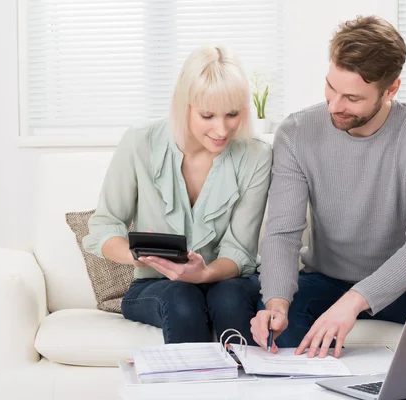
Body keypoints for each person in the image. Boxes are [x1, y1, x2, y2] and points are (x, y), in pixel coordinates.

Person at [250, 16, 406, 358]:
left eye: (352, 97)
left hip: (401, 285)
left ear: (391, 89)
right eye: (331, 88)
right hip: (324, 280)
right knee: (272, 314)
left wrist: (354, 301)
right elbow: (282, 232)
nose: (335, 106)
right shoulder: (296, 132)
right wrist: (276, 302)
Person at [83, 45, 272, 345]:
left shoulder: (256, 155)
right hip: (155, 285)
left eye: (232, 114)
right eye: (207, 115)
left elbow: (240, 251)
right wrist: (140, 255)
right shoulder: (140, 141)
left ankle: (249, 390)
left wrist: (204, 273)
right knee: (182, 297)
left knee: (230, 298)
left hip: (224, 280)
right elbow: (106, 226)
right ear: (184, 105)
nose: (221, 129)